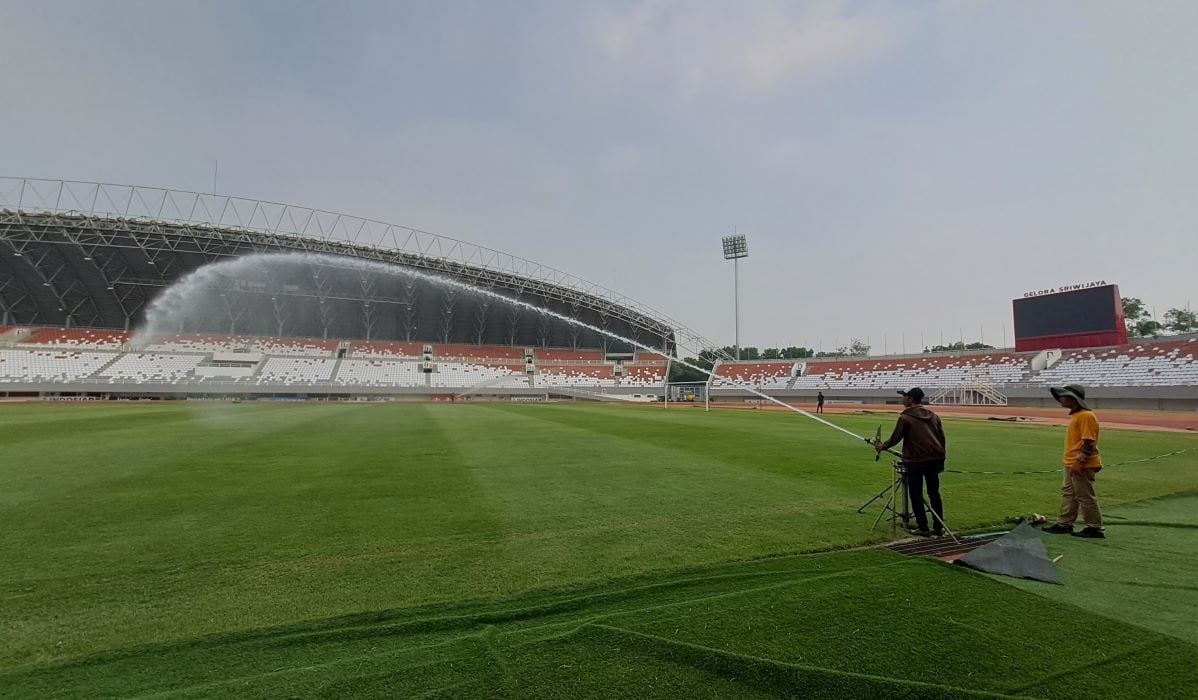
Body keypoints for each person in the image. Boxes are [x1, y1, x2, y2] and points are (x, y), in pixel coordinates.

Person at [874, 387, 947, 537]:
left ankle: (923, 528)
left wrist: (882, 446)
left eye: (904, 396)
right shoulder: (933, 416)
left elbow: (895, 438)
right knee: (934, 493)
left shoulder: (905, 417)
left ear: (911, 399)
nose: (902, 399)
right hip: (934, 458)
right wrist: (941, 461)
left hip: (916, 460)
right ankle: (938, 527)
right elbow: (942, 439)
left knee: (916, 493)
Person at [1042, 385, 1105, 539]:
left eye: (1063, 396)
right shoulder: (1077, 416)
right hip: (1072, 462)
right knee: (1069, 493)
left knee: (1084, 496)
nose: (1060, 399)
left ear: (1073, 398)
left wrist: (1079, 461)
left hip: (1082, 463)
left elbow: (1089, 442)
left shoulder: (1086, 416)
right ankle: (1065, 523)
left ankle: (1094, 527)